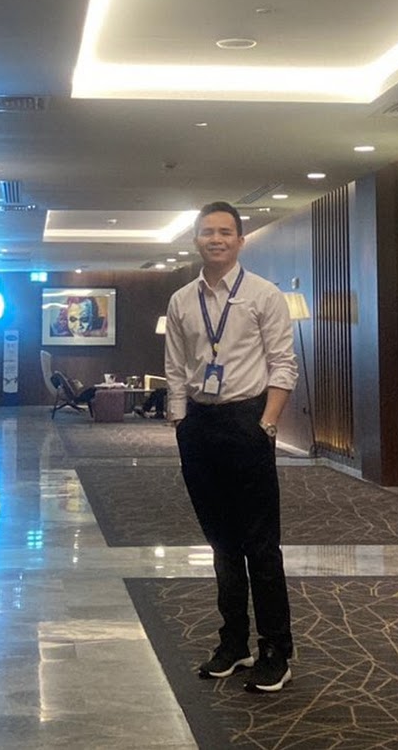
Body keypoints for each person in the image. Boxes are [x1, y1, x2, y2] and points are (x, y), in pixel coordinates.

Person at [164, 200, 298, 693]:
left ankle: (276, 649)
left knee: (260, 544)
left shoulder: (263, 295)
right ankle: (234, 642)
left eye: (225, 232)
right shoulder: (182, 300)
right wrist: (181, 422)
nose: (216, 239)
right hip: (199, 427)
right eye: (207, 232)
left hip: (248, 422)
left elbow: (283, 364)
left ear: (240, 240)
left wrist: (267, 423)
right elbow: (175, 367)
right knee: (221, 544)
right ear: (196, 240)